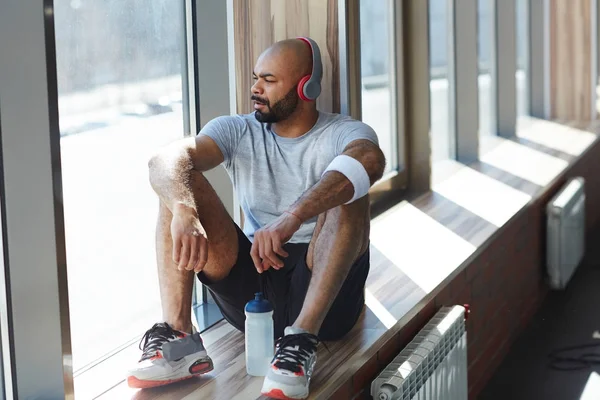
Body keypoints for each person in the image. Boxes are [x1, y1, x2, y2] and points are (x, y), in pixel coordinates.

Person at [127, 37, 386, 399]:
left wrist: (293, 216)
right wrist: (184, 211)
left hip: (324, 291)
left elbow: (370, 161)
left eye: (268, 79)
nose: (255, 88)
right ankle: (180, 338)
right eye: (254, 78)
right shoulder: (238, 129)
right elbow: (163, 161)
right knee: (176, 183)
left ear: (305, 87)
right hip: (253, 283)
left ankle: (299, 344)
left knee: (350, 190)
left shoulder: (342, 131)